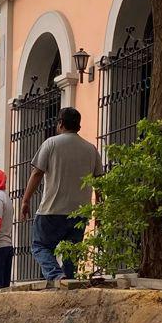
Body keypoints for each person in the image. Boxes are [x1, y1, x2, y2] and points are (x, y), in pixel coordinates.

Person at [20, 107, 102, 283]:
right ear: (78, 127)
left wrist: (26, 200)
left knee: (40, 246)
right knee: (71, 252)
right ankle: (68, 281)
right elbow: (99, 181)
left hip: (52, 209)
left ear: (60, 124)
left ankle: (57, 275)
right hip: (80, 212)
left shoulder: (51, 144)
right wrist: (100, 207)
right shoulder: (91, 149)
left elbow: (37, 173)